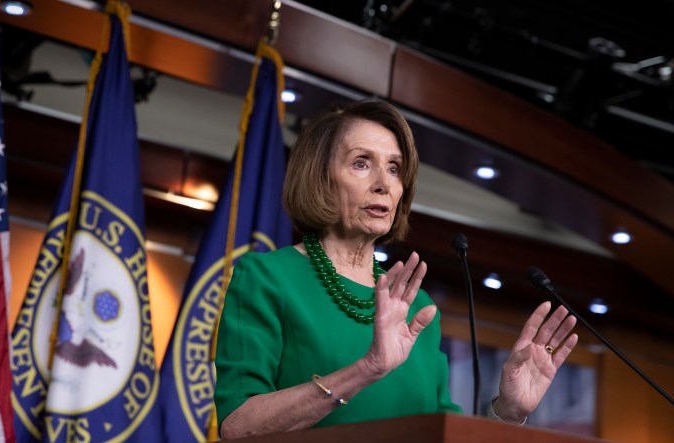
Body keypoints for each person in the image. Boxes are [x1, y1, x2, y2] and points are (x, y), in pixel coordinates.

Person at [214, 99, 578, 439]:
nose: (384, 183)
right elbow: (237, 424)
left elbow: (441, 432)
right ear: (320, 177)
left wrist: (507, 411)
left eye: (394, 168)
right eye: (361, 163)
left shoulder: (417, 309)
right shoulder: (268, 277)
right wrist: (367, 369)